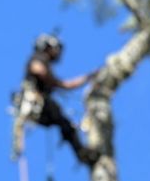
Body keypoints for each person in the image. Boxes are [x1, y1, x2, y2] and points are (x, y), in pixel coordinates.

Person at [12, 34, 98, 165]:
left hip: (39, 111)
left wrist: (88, 77)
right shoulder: (39, 58)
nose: (57, 53)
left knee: (65, 123)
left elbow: (67, 85)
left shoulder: (45, 67)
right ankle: (81, 152)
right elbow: (37, 69)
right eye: (56, 48)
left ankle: (82, 152)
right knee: (62, 119)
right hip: (35, 101)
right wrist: (53, 82)